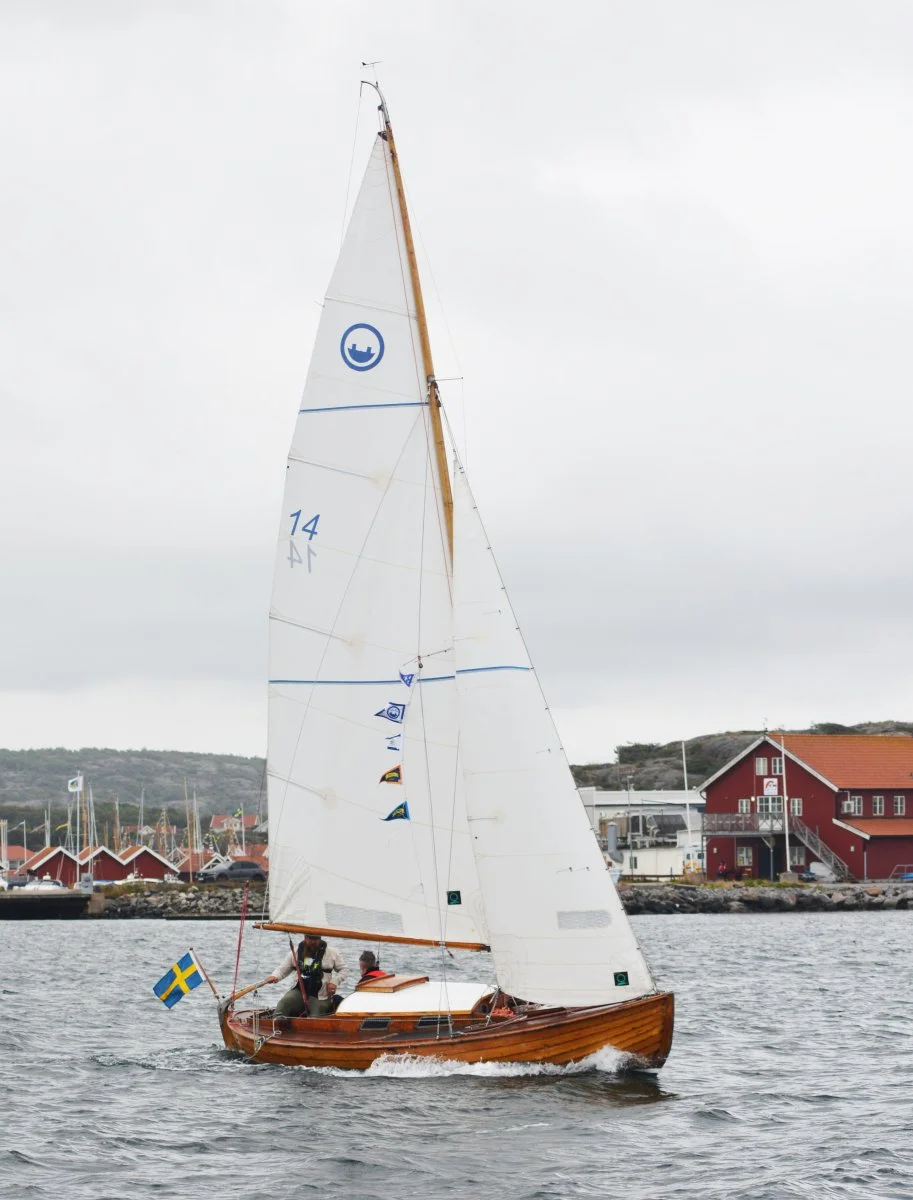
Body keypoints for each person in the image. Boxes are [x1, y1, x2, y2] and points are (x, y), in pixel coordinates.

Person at [265, 933, 346, 1017]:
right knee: (284, 1003)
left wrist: (334, 982)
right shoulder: (295, 952)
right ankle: (275, 1026)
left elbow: (344, 969)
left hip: (320, 995)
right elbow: (282, 969)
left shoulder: (332, 953)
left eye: (316, 939)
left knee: (315, 1019)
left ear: (320, 938)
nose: (313, 942)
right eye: (310, 938)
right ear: (305, 937)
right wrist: (274, 976)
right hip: (299, 991)